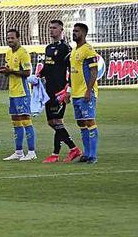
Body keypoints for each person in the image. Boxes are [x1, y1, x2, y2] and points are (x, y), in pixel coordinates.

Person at [39, 20, 82, 163]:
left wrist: (68, 89)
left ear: (61, 30)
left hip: (59, 91)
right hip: (48, 90)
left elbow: (72, 70)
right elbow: (47, 67)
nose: (51, 30)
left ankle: (62, 152)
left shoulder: (65, 48)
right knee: (52, 122)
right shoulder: (48, 48)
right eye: (50, 28)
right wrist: (38, 76)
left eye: (54, 28)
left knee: (57, 121)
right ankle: (68, 150)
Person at [0, 30, 37, 161]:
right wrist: (5, 72)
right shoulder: (8, 53)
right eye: (8, 38)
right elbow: (11, 71)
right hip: (12, 92)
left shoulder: (23, 53)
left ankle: (31, 152)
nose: (9, 40)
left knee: (26, 120)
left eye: (12, 38)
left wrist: (11, 71)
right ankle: (19, 151)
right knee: (15, 122)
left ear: (18, 38)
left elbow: (27, 72)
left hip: (22, 92)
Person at [67, 22, 99, 163]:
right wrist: (69, 91)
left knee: (90, 121)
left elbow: (94, 71)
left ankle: (92, 155)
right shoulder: (73, 51)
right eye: (73, 31)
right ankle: (86, 153)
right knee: (81, 123)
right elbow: (72, 74)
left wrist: (88, 90)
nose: (74, 33)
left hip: (86, 93)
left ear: (84, 33)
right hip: (75, 94)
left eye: (77, 31)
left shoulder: (88, 50)